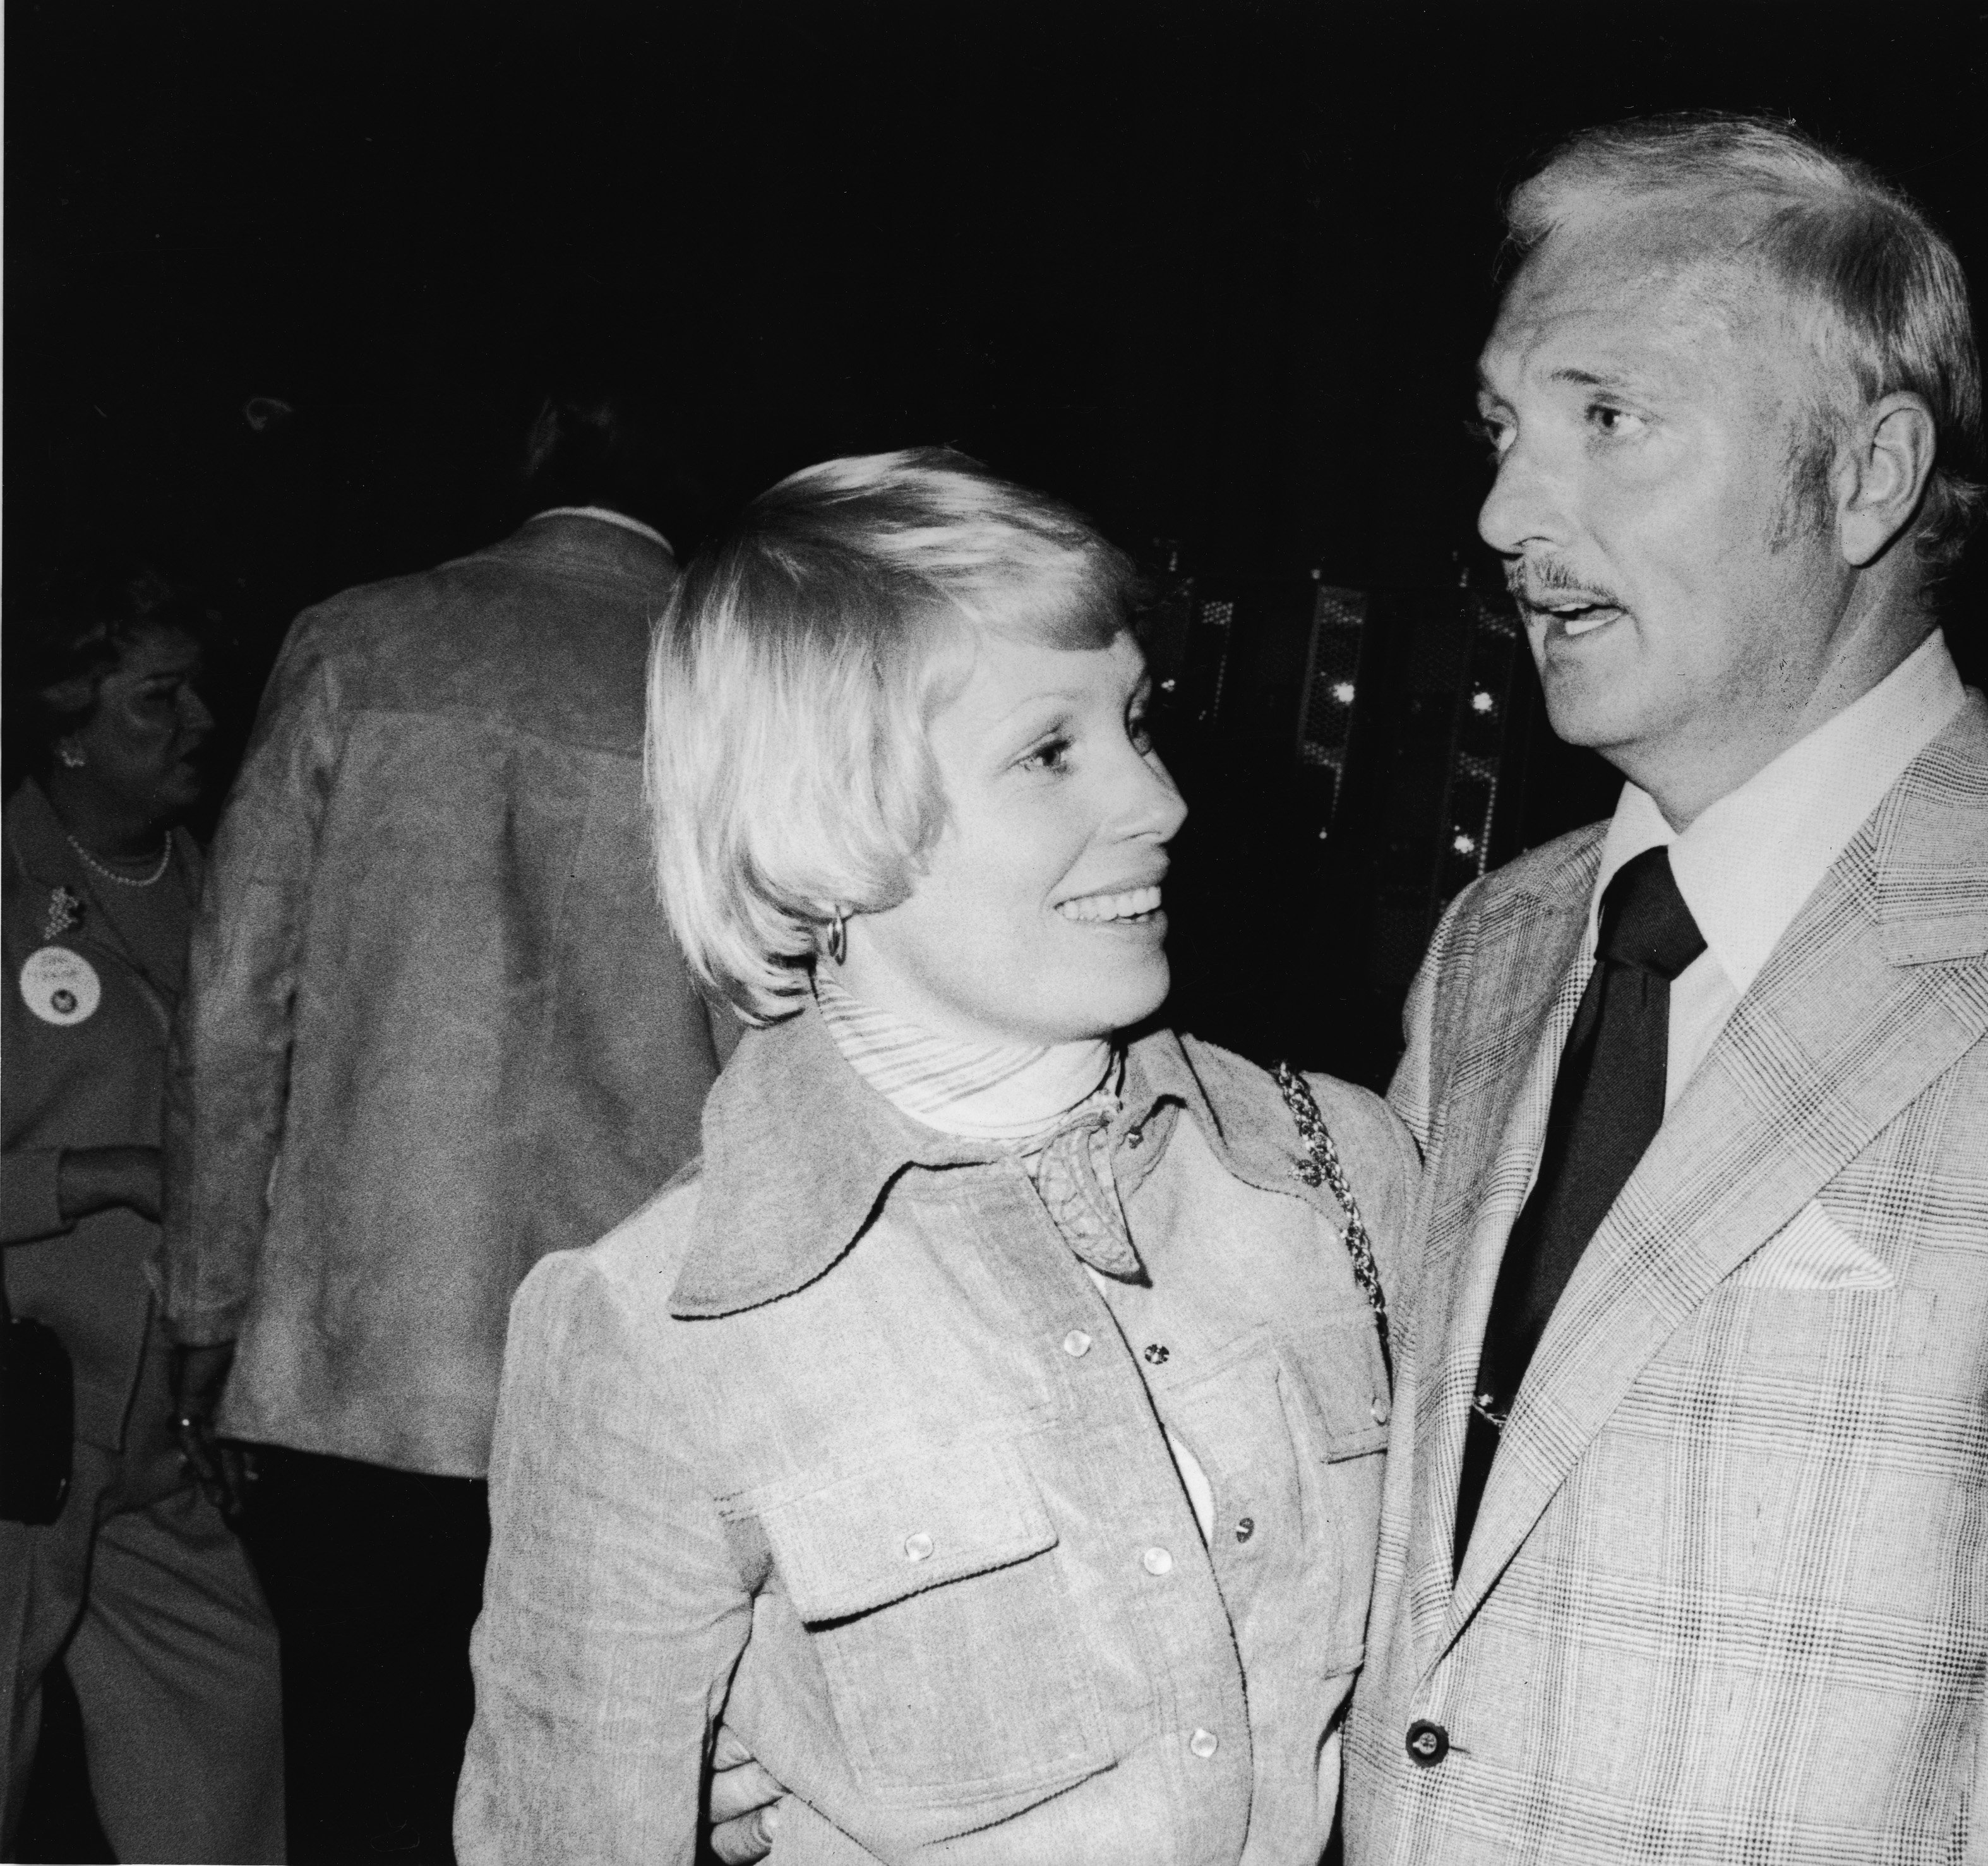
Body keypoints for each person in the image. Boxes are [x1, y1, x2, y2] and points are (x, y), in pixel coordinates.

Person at [1343, 116, 1988, 1863]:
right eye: (1506, 433)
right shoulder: (1502, 948)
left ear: (1866, 474)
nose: (1506, 514)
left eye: (1609, 421)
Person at [455, 450, 1414, 1865]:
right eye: (1049, 750)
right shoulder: (651, 1326)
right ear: (827, 826)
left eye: (1136, 723)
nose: (1160, 803)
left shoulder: (1337, 1168)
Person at [162, 385, 728, 1860]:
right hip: (632, 1387)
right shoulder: (732, 683)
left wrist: (209, 1298)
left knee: (360, 1784)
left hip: (358, 1364)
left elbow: (236, 1007)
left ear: (533, 450)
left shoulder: (360, 640)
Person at [3, 577, 284, 1861]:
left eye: (196, 689)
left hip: (166, 1408)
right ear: (66, 725)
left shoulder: (225, 883)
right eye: (156, 697)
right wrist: (89, 1174)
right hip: (22, 1404)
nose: (201, 721)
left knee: (218, 1713)